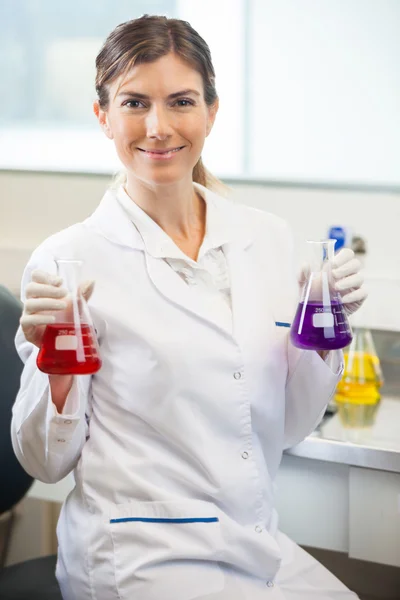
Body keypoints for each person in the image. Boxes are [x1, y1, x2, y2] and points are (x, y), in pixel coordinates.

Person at [11, 15, 366, 600]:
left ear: (211, 111)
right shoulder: (68, 260)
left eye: (181, 101)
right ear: (103, 116)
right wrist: (54, 368)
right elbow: (43, 462)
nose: (158, 127)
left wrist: (325, 334)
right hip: (138, 558)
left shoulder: (267, 239)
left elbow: (290, 424)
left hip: (254, 541)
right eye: (134, 102)